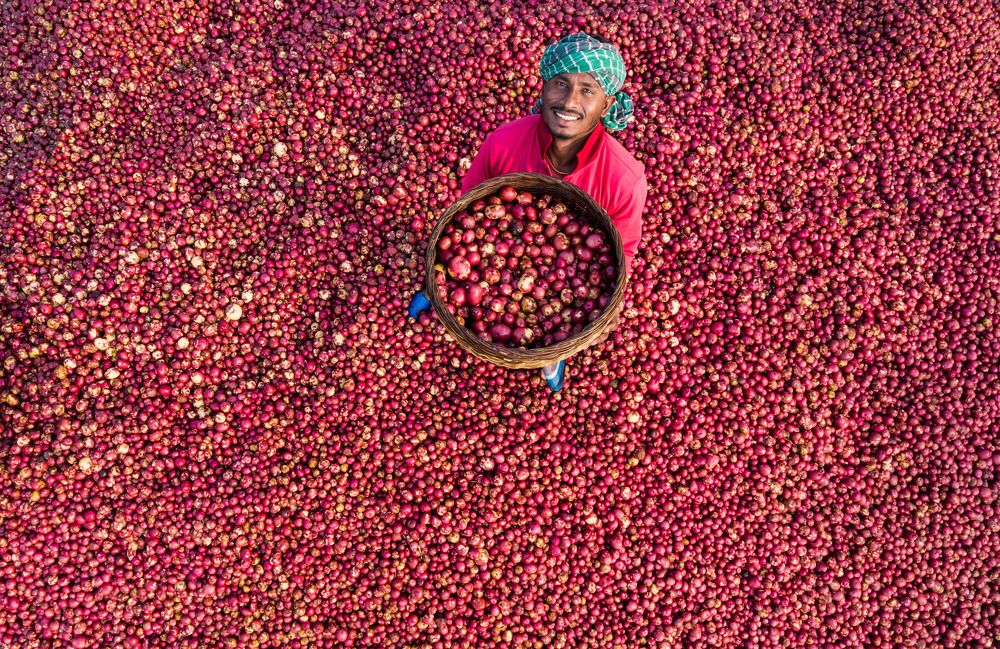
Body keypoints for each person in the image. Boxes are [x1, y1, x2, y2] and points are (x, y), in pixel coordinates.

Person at [409, 32, 648, 392]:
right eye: (560, 83)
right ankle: (440, 286)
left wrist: (609, 309)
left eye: (588, 90)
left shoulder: (625, 178)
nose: (569, 100)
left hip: (560, 300)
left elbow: (622, 252)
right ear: (543, 88)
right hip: (476, 268)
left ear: (607, 104)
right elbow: (465, 213)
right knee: (449, 275)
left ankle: (553, 355)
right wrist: (453, 270)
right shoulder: (503, 142)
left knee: (569, 327)